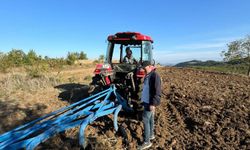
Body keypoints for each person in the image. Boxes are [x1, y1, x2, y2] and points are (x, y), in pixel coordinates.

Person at [138, 61, 161, 150]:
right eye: (142, 68)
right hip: (146, 101)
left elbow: (157, 91)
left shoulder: (155, 76)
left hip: (150, 102)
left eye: (144, 67)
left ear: (149, 66)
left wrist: (153, 104)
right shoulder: (147, 75)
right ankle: (151, 135)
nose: (143, 69)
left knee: (145, 119)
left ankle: (147, 142)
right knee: (150, 119)